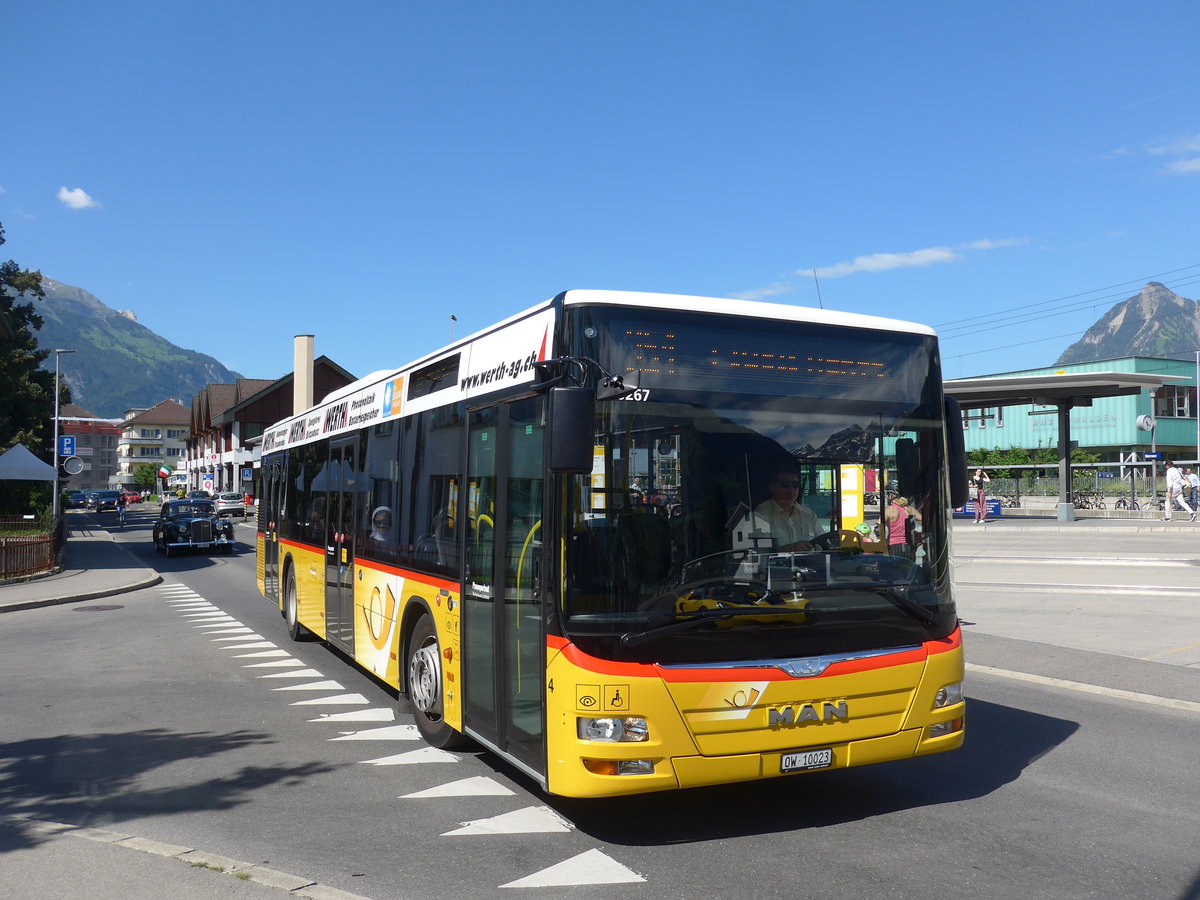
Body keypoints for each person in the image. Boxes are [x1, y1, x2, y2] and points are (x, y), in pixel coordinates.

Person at [753, 465, 820, 551]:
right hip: (776, 564)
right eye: (785, 485)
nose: (791, 489)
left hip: (809, 563)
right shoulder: (760, 515)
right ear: (772, 487)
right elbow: (758, 552)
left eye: (795, 485)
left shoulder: (809, 515)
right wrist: (790, 549)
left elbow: (823, 543)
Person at [885, 494, 920, 559]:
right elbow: (923, 520)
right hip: (909, 545)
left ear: (891, 496)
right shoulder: (910, 509)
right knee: (908, 567)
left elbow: (878, 527)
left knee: (896, 567)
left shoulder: (889, 510)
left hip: (893, 544)